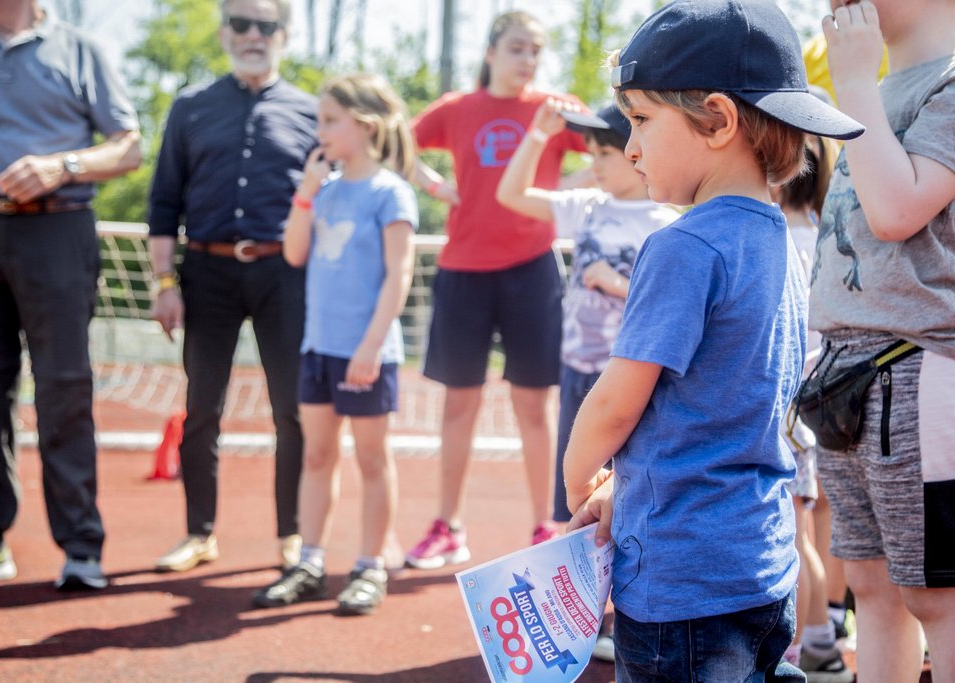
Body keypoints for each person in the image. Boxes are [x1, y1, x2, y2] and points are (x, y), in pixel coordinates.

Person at [563, 1, 864, 680]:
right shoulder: (782, 241)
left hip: (680, 580)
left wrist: (581, 477)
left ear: (719, 120)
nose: (629, 144)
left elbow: (617, 401)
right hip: (760, 564)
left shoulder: (682, 245)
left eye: (640, 118)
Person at [809, 1, 955, 680]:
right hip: (845, 367)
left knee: (937, 592)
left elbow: (896, 211)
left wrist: (852, 87)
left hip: (918, 365)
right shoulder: (874, 89)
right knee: (874, 589)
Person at [0, 0, 141, 591]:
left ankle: (81, 546)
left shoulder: (81, 49)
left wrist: (62, 165)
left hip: (57, 230)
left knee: (63, 388)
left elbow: (128, 147)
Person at [496, 100, 678, 663]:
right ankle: (581, 615)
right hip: (578, 372)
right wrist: (536, 136)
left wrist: (615, 283)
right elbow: (511, 196)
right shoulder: (590, 207)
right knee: (577, 501)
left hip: (625, 382)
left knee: (625, 499)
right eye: (592, 152)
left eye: (606, 151)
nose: (596, 163)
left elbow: (667, 308)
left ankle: (631, 617)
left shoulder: (665, 220)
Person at [405, 10, 587, 570]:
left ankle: (544, 525)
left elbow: (618, 154)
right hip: (463, 269)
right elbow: (396, 141)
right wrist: (435, 185)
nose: (527, 59)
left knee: (536, 407)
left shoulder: (555, 111)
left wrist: (568, 193)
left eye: (535, 49)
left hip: (532, 269)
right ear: (491, 52)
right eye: (516, 48)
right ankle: (447, 527)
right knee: (459, 404)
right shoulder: (458, 109)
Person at [148, 0, 317, 573]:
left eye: (266, 26)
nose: (253, 35)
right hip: (206, 273)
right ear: (224, 33)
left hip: (285, 274)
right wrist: (164, 282)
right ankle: (199, 533)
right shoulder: (190, 107)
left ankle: (293, 534)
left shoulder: (313, 112)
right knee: (202, 407)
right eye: (242, 24)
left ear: (284, 36)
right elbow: (164, 201)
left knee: (292, 410)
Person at [251, 73, 417, 616]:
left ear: (363, 125)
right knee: (317, 456)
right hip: (318, 349)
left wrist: (370, 345)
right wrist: (304, 194)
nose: (318, 130)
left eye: (328, 120)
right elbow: (294, 254)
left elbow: (399, 276)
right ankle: (310, 563)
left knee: (372, 459)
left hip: (367, 352)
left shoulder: (390, 192)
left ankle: (370, 567)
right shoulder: (322, 191)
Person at [777, 132, 854, 682]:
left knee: (796, 528)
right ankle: (826, 628)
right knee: (820, 516)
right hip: (828, 392)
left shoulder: (778, 233)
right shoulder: (829, 231)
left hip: (791, 399)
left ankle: (812, 642)